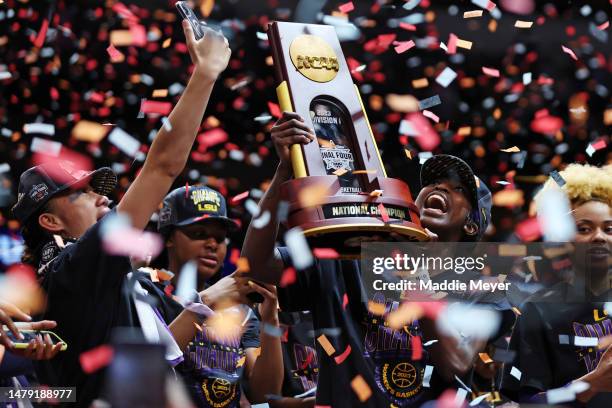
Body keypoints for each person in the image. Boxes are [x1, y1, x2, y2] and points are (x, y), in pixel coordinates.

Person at [11, 20, 231, 406]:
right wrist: (205, 75)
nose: (104, 199)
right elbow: (162, 167)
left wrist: (207, 300)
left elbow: (156, 365)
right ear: (51, 221)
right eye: (83, 195)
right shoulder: (75, 269)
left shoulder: (104, 278)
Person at [240, 112, 495, 407]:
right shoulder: (350, 250)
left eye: (458, 188)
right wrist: (283, 174)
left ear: (472, 225)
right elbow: (256, 265)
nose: (440, 187)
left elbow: (455, 365)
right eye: (434, 182)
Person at [140, 185, 283, 407]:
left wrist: (270, 320)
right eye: (199, 234)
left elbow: (264, 395)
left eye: (220, 238)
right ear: (168, 238)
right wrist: (204, 303)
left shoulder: (241, 310)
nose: (212, 244)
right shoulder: (145, 289)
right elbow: (143, 371)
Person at [502, 163, 612, 407]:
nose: (599, 237)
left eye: (609, 228)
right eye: (584, 228)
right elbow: (530, 402)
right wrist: (590, 385)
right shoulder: (538, 310)